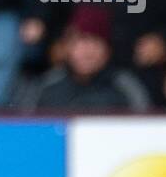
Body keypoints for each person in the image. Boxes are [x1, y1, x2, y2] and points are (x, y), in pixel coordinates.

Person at [18, 9, 150, 112]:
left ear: (108, 49)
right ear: (66, 47)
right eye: (79, 42)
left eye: (95, 42)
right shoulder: (47, 87)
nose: (87, 52)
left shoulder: (125, 87)